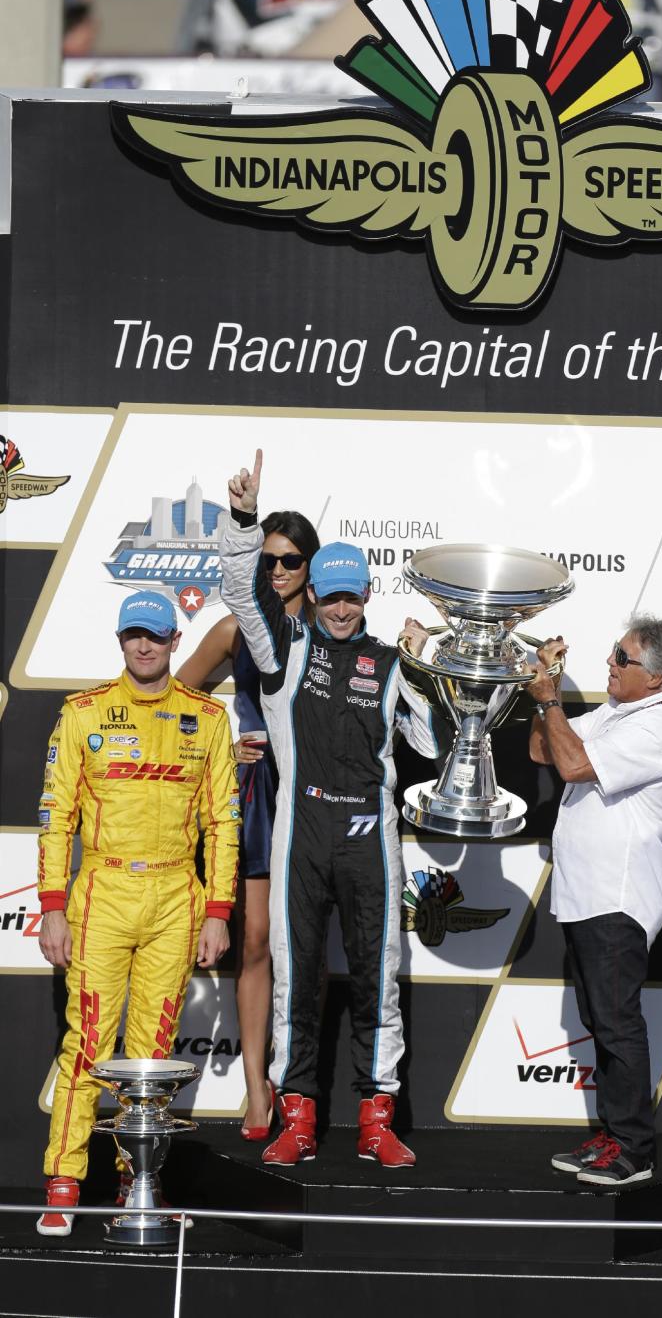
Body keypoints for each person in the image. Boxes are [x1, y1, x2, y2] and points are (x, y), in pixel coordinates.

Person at [219, 450, 440, 1168]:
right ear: (311, 593)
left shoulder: (389, 662)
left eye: (353, 597)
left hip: (373, 835)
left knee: (380, 979)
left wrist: (426, 671)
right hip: (301, 832)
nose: (342, 608)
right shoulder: (283, 650)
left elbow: (435, 747)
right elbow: (242, 592)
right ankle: (299, 1119)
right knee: (296, 976)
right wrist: (244, 523)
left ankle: (377, 1122)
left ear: (367, 596)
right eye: (331, 595)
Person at [36, 590, 239, 1236]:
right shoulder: (83, 713)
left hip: (177, 895)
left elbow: (224, 823)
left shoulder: (206, 718)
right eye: (133, 636)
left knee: (151, 1053)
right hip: (103, 890)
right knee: (87, 1043)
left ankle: (137, 1181)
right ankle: (63, 1182)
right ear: (120, 640)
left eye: (155, 635)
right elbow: (55, 819)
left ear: (176, 641)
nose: (144, 646)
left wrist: (218, 909)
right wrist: (51, 906)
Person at [528, 615, 662, 1188]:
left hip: (619, 897)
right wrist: (543, 685)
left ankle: (634, 1149)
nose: (610, 663)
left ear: (655, 678)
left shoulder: (659, 727)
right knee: (601, 1020)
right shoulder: (618, 712)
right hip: (585, 894)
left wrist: (550, 697)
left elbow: (572, 763)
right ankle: (613, 1133)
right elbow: (543, 751)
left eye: (621, 658)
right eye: (613, 653)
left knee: (618, 1025)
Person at [178, 509, 319, 1141]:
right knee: (256, 940)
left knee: (308, 949)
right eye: (267, 561)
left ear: (310, 568)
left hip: (320, 797)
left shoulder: (330, 630)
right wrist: (225, 745)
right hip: (260, 793)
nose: (279, 571)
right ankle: (257, 1088)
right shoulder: (238, 627)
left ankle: (301, 1088)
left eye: (290, 561)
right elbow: (178, 697)